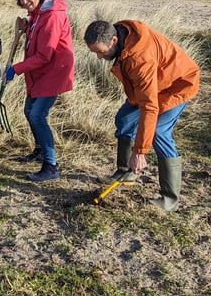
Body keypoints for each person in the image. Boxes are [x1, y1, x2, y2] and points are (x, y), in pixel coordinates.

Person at [84, 20, 200, 212]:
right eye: (94, 52)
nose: (98, 57)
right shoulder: (123, 35)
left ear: (113, 40)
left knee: (159, 132)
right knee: (125, 119)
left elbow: (149, 106)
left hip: (177, 84)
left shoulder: (140, 58)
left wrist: (140, 151)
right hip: (152, 85)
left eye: (100, 52)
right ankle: (125, 173)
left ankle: (170, 199)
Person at [5, 0, 75, 182]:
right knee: (29, 111)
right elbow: (38, 35)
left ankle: (50, 165)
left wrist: (16, 69)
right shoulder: (39, 13)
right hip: (40, 73)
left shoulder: (52, 16)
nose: (25, 1)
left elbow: (45, 55)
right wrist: (28, 28)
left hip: (53, 72)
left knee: (37, 115)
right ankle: (40, 150)